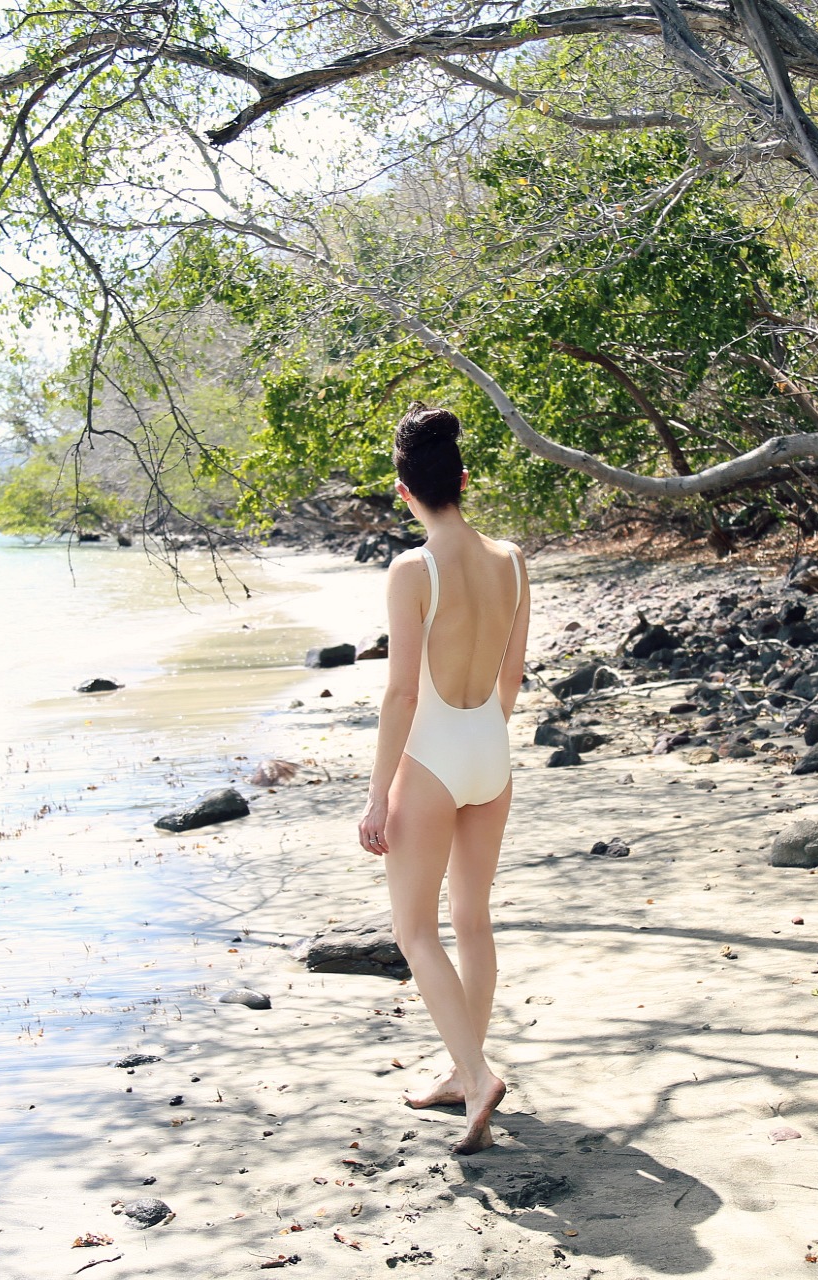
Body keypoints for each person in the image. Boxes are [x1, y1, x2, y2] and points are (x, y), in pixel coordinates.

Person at [355, 404, 530, 1156]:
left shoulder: (412, 568)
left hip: (429, 757)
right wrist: (480, 737)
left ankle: (473, 1071)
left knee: (415, 931)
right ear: (462, 480)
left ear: (404, 491)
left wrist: (376, 795)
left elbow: (399, 694)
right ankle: (466, 1075)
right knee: (474, 920)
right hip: (489, 750)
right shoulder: (512, 559)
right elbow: (513, 676)